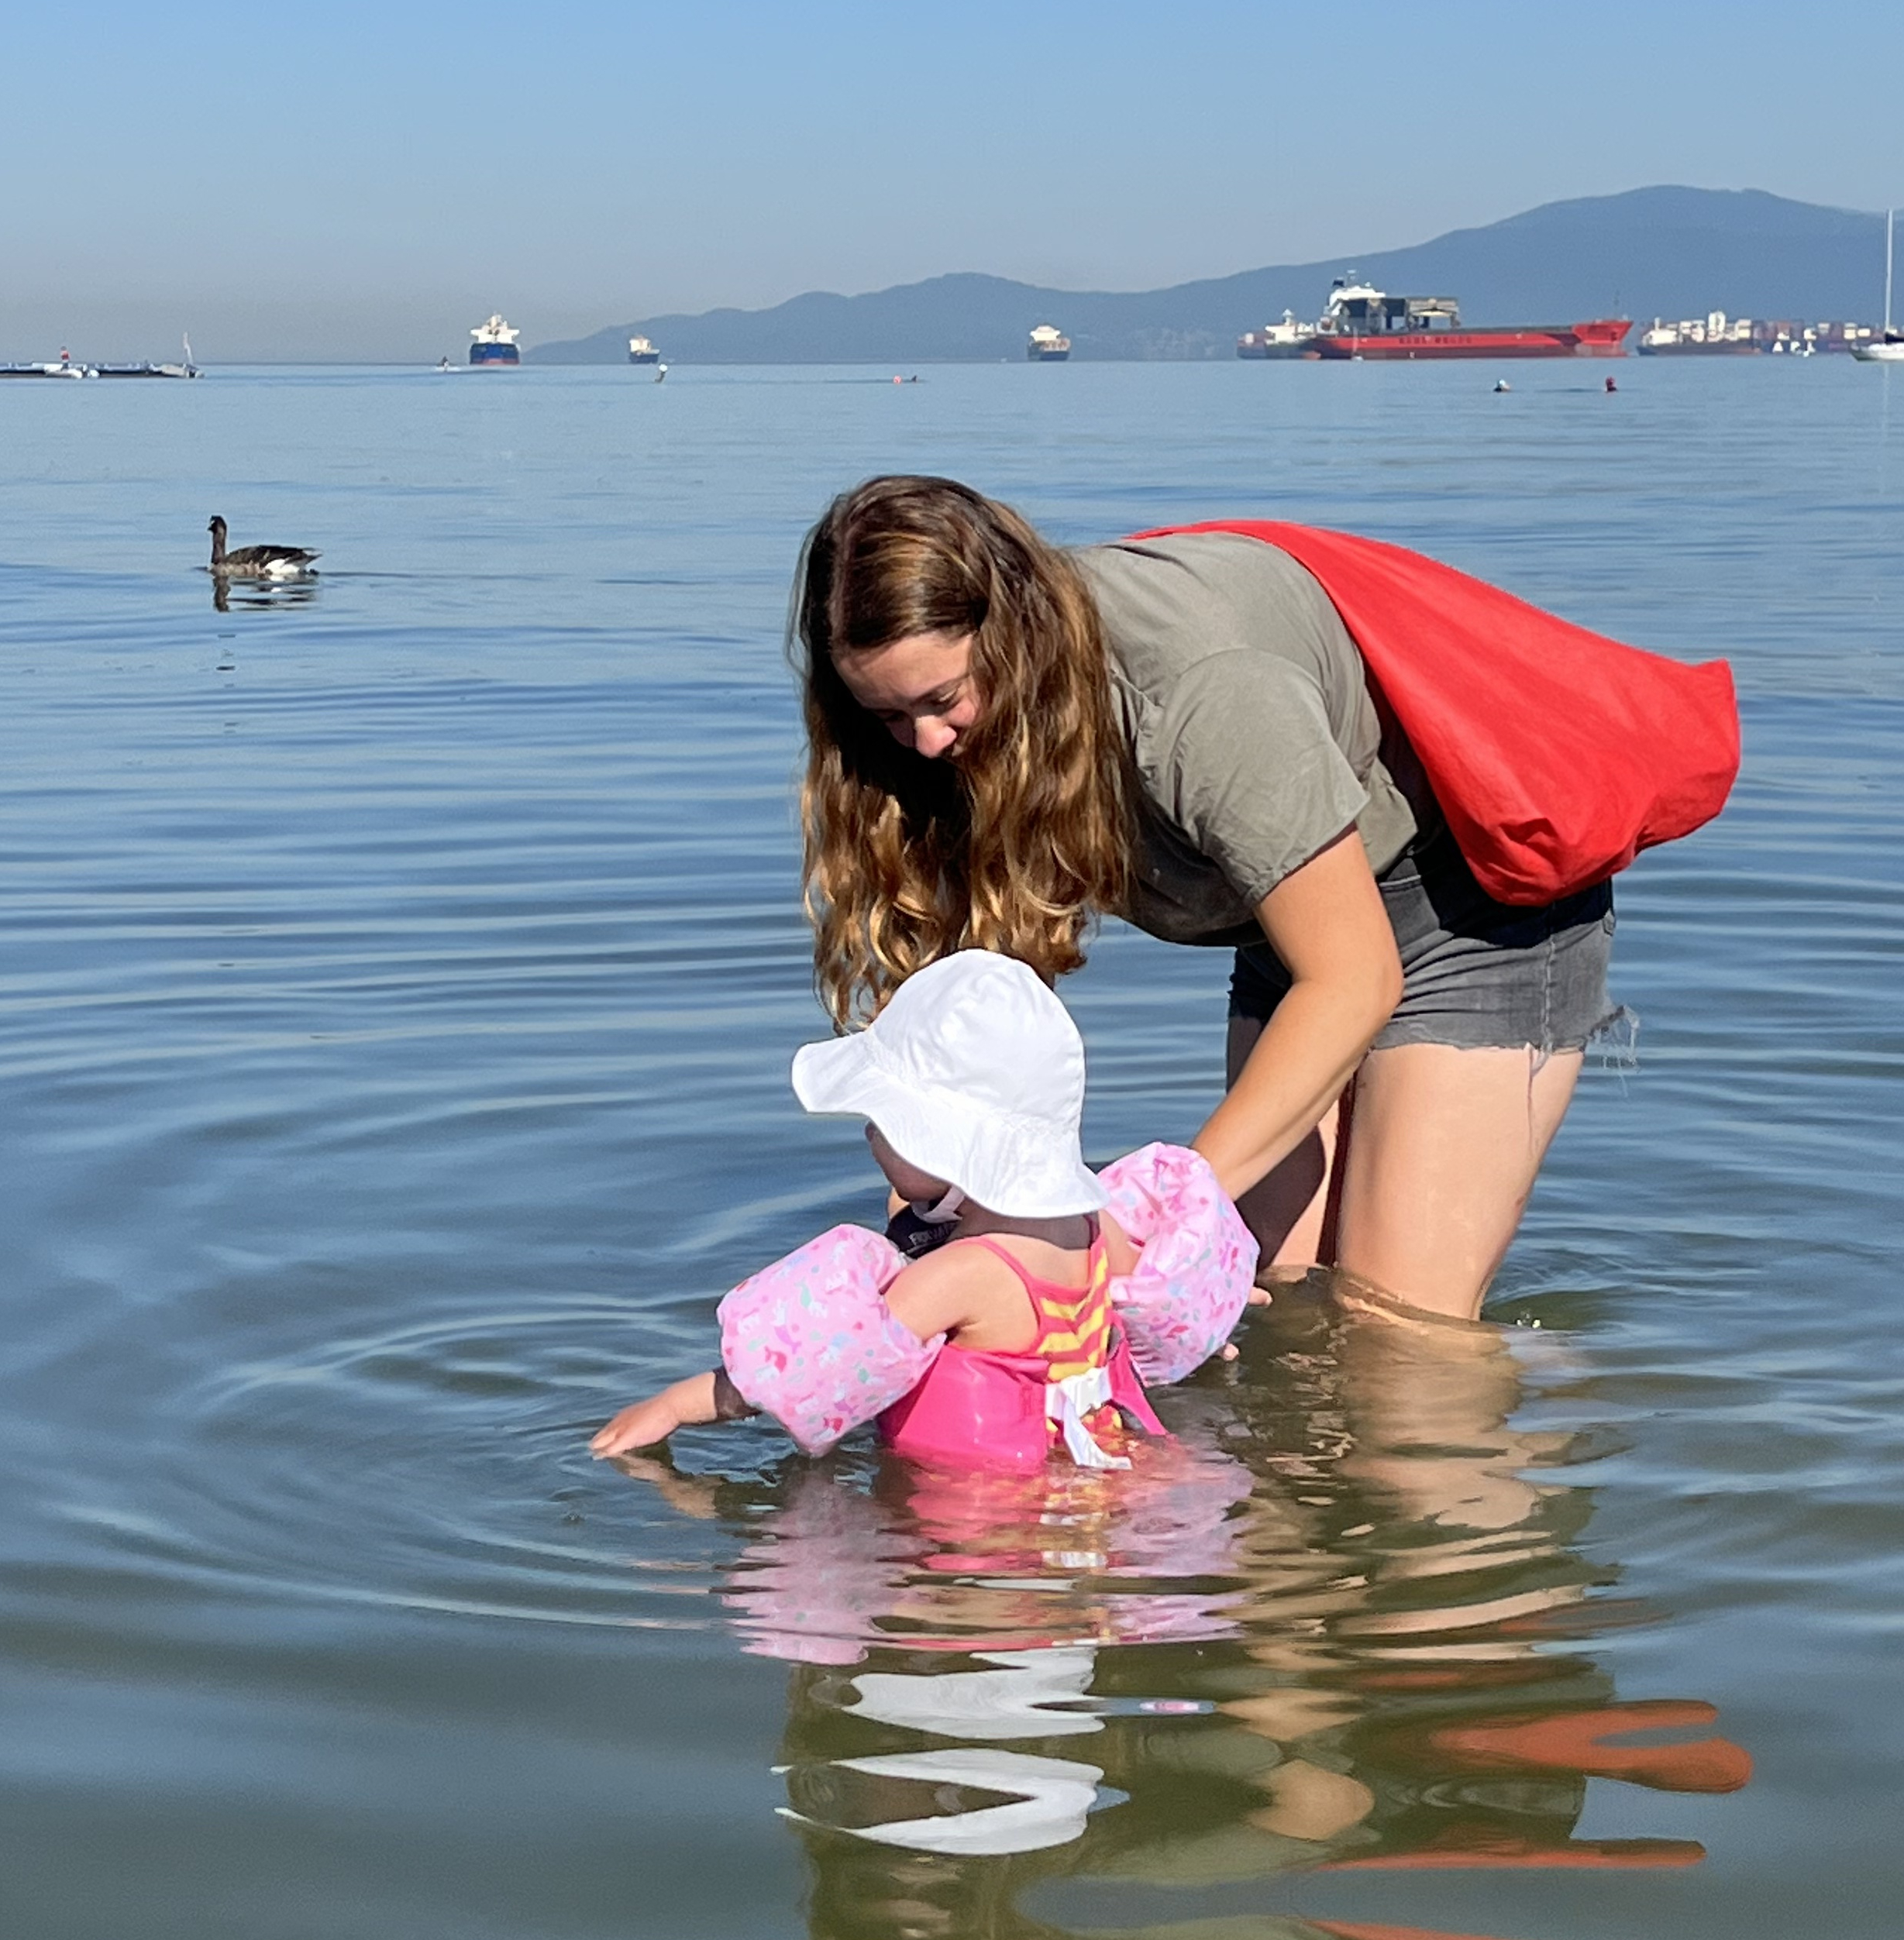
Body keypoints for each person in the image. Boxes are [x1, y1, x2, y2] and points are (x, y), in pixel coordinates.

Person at [794, 476, 1627, 1323]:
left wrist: (1151, 1216)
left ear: (1017, 634)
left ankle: (1546, 1407)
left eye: (943, 700)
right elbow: (965, 1013)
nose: (927, 741)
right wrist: (936, 1218)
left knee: (1398, 1326)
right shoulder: (920, 748)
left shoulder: (1201, 692)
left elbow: (1350, 979)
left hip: (1464, 891)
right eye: (889, 715)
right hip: (1288, 913)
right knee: (1273, 1298)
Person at [590, 951, 1255, 1467]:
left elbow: (814, 1367)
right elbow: (1153, 1292)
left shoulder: (962, 1273)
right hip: (1097, 1466)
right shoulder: (1090, 1223)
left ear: (943, 1145)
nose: (869, 1136)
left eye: (883, 1123)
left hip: (985, 1516)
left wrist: (672, 1406)